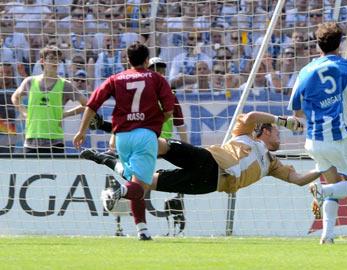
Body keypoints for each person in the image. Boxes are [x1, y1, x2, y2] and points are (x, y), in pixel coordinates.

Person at [80, 111, 320, 197]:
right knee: (156, 143)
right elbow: (252, 117)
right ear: (265, 132)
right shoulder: (244, 133)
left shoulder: (273, 164)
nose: (281, 137)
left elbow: (298, 180)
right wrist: (285, 121)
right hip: (208, 159)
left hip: (211, 183)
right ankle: (104, 125)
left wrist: (326, 166)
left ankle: (105, 160)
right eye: (277, 132)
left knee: (145, 183)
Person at [73, 42, 176, 240]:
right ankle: (114, 193)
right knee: (140, 185)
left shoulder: (115, 79)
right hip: (145, 136)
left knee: (134, 182)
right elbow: (169, 111)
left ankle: (142, 230)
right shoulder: (156, 78)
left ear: (127, 60)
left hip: (121, 137)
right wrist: (153, 122)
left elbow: (92, 104)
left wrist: (81, 131)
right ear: (147, 60)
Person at [288, 22, 347, 244]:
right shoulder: (346, 66)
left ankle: (327, 236)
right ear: (341, 43)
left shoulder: (305, 71)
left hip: (314, 140)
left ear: (318, 45)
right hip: (339, 138)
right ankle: (321, 191)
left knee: (334, 185)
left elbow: (295, 107)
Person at [11, 45, 88, 154]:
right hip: (31, 139)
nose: (55, 62)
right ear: (42, 61)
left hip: (55, 141)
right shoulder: (29, 81)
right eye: (52, 58)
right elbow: (15, 97)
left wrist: (65, 114)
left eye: (58, 59)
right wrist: (24, 112)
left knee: (55, 171)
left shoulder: (65, 84)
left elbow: (87, 104)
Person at [0, 63, 17, 154]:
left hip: (10, 136)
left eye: (8, 72)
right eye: (1, 73)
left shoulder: (18, 92)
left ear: (12, 74)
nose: (5, 75)